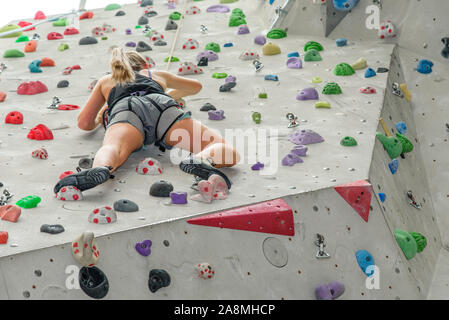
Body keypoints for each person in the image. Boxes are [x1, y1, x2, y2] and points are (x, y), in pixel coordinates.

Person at [53, 48, 239, 194]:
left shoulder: (107, 80)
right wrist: (171, 95)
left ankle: (101, 168)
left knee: (114, 148)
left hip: (125, 109)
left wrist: (104, 114)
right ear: (143, 64)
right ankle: (201, 160)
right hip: (163, 106)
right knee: (219, 146)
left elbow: (84, 123)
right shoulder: (155, 74)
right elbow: (195, 87)